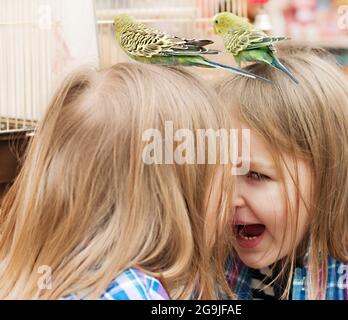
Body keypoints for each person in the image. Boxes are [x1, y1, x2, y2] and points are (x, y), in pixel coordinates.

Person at [0, 62, 233, 300]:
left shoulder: (29, 271)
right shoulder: (132, 293)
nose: (233, 199)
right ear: (168, 202)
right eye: (224, 184)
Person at [216, 46, 348, 300]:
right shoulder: (217, 260)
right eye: (218, 174)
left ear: (330, 175)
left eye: (256, 175)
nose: (230, 198)